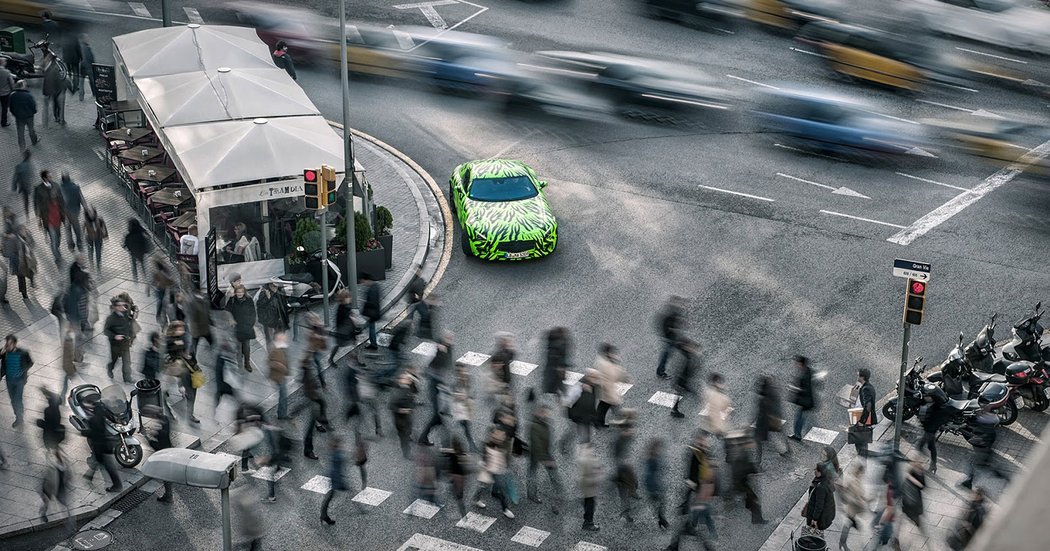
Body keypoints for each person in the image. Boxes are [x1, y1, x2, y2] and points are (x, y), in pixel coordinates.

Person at [418, 331, 453, 447]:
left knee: (438, 415)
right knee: (436, 415)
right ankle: (424, 438)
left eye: (451, 338)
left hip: (440, 381)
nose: (450, 340)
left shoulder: (449, 348)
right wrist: (438, 350)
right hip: (434, 382)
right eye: (448, 338)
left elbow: (448, 364)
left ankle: (429, 436)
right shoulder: (436, 349)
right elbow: (427, 365)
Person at [526, 404, 563, 513]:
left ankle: (532, 494)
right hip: (539, 454)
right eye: (545, 412)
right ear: (539, 412)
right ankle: (533, 495)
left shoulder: (544, 422)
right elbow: (537, 445)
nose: (547, 414)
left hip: (544, 452)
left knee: (533, 472)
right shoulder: (534, 426)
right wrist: (546, 459)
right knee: (536, 474)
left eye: (548, 412)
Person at [961, 407, 1005, 489]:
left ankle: (969, 482)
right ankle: (999, 475)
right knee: (982, 465)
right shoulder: (990, 424)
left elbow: (978, 437)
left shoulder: (986, 428)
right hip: (985, 449)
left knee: (977, 465)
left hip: (983, 450)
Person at [474, 428, 514, 518]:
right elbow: (483, 458)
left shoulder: (503, 445)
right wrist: (485, 466)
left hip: (498, 471)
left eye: (502, 435)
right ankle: (476, 498)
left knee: (502, 491)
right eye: (498, 434)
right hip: (488, 470)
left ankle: (505, 509)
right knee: (482, 486)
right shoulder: (486, 445)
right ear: (492, 435)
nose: (501, 437)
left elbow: (505, 457)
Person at [83, 402, 123, 492]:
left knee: (109, 467)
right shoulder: (101, 415)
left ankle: (117, 486)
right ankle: (89, 475)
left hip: (101, 446)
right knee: (99, 461)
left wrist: (84, 432)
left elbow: (94, 433)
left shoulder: (93, 420)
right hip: (105, 445)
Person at [167, 321, 200, 423]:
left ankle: (189, 409)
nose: (181, 331)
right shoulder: (170, 341)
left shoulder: (186, 338)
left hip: (191, 368)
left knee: (193, 391)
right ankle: (190, 415)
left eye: (182, 329)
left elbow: (192, 354)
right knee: (191, 394)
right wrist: (178, 346)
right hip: (182, 370)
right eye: (179, 329)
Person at [729, 436, 766, 524]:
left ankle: (755, 517)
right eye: (750, 442)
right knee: (755, 501)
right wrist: (755, 470)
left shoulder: (741, 452)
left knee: (752, 501)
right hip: (741, 483)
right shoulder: (741, 455)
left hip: (741, 483)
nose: (752, 444)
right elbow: (743, 469)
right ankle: (757, 520)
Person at [754, 375, 790, 466]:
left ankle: (758, 461)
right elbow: (777, 406)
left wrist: (753, 421)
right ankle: (788, 449)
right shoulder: (774, 392)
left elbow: (758, 411)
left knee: (758, 440)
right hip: (774, 418)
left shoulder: (764, 398)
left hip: (765, 421)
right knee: (780, 432)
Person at [560, 369, 598, 453]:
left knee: (585, 433)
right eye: (593, 377)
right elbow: (567, 401)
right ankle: (564, 444)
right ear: (588, 377)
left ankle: (585, 447)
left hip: (586, 416)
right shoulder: (578, 388)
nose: (595, 380)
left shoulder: (593, 386)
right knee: (574, 432)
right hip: (578, 417)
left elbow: (592, 401)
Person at [142, 405, 174, 502]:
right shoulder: (165, 419)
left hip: (163, 453)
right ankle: (168, 494)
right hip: (169, 449)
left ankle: (168, 496)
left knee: (165, 475)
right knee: (166, 473)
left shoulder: (158, 427)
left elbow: (156, 445)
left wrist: (146, 435)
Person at [34, 170, 65, 265]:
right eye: (50, 177)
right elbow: (36, 204)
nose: (52, 178)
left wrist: (64, 213)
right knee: (53, 239)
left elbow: (61, 199)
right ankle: (57, 257)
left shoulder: (56, 185)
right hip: (47, 217)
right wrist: (38, 218)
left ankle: (56, 248)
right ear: (45, 178)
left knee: (58, 237)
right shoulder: (38, 189)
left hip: (57, 215)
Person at [1, 334, 32, 427]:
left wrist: (23, 370)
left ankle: (19, 419)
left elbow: (30, 363)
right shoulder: (5, 352)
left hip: (19, 381)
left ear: (14, 344)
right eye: (7, 343)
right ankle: (19, 413)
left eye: (10, 343)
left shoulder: (22, 353)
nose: (8, 345)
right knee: (13, 400)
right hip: (9, 380)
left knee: (17, 400)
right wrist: (2, 352)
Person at [918, 388, 952, 473]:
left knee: (921, 446)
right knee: (930, 447)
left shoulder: (936, 408)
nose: (926, 397)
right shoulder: (926, 404)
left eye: (928, 396)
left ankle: (922, 463)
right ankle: (933, 465)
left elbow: (937, 420)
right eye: (925, 396)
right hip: (928, 430)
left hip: (930, 431)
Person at [594, 342, 627, 428]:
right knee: (614, 404)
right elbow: (615, 376)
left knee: (603, 406)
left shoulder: (601, 360)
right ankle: (622, 423)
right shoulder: (607, 366)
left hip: (603, 389)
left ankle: (598, 422)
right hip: (608, 390)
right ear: (607, 353)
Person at [226, 284, 257, 372]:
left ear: (244, 292)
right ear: (235, 292)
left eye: (241, 292)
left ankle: (247, 363)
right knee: (238, 347)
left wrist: (251, 323)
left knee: (246, 347)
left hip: (246, 327)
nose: (240, 294)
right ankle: (240, 365)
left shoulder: (249, 300)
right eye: (238, 292)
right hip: (237, 327)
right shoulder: (232, 300)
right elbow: (227, 311)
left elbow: (253, 313)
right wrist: (230, 319)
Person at [838, 462, 868, 550]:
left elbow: (859, 492)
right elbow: (846, 494)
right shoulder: (851, 480)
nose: (862, 474)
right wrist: (857, 501)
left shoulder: (858, 480)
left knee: (849, 523)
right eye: (861, 472)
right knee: (849, 523)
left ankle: (842, 542)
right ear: (858, 471)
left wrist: (863, 498)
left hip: (855, 508)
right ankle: (842, 543)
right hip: (851, 507)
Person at [655, 295, 686, 379]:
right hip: (670, 338)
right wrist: (670, 333)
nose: (680, 304)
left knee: (670, 354)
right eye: (678, 302)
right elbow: (665, 325)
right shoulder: (670, 312)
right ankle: (660, 372)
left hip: (673, 338)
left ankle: (684, 373)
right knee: (666, 355)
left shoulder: (675, 311)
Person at [450, 361, 478, 453]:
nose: (463, 372)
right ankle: (472, 446)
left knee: (465, 426)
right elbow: (453, 395)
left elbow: (472, 391)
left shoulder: (468, 378)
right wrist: (459, 396)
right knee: (466, 428)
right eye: (461, 371)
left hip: (467, 406)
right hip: (461, 407)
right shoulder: (455, 383)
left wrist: (468, 397)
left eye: (463, 370)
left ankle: (471, 445)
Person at [103, 299, 133, 382]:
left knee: (127, 361)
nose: (122, 307)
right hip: (115, 344)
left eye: (123, 305)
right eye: (119, 306)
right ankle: (110, 367)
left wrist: (130, 336)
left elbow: (128, 326)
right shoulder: (111, 318)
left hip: (125, 343)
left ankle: (127, 378)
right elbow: (106, 331)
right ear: (115, 307)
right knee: (114, 360)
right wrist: (115, 336)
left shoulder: (126, 314)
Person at [788, 355, 816, 441]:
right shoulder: (807, 371)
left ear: (801, 364)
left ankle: (797, 435)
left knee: (799, 419)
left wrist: (795, 388)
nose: (795, 364)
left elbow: (806, 390)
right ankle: (797, 435)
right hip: (806, 401)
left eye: (797, 363)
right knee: (799, 418)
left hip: (806, 402)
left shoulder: (805, 374)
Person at [644, 438, 670, 530]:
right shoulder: (652, 459)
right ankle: (662, 521)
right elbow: (650, 474)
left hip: (656, 483)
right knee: (661, 502)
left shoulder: (654, 456)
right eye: (659, 448)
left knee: (661, 503)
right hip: (654, 485)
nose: (661, 449)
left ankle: (661, 520)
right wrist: (655, 487)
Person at [671, 338, 700, 418]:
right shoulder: (684, 358)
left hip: (683, 379)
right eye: (691, 347)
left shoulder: (687, 355)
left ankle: (675, 409)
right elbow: (678, 370)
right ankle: (675, 409)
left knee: (682, 391)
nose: (693, 349)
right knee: (680, 393)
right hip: (680, 380)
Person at [390, 372, 416, 459]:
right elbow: (391, 406)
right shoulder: (397, 393)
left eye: (409, 378)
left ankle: (408, 436)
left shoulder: (407, 387)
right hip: (400, 420)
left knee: (409, 430)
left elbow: (413, 393)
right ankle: (406, 453)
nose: (409, 379)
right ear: (400, 381)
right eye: (406, 378)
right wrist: (402, 410)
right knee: (403, 437)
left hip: (407, 417)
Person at [804, 464, 836, 533]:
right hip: (826, 515)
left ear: (820, 472)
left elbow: (819, 505)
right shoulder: (824, 480)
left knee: (815, 534)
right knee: (817, 534)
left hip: (821, 517)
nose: (814, 471)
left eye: (816, 470)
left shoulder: (821, 487)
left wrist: (814, 519)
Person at [541, 326, 571, 400]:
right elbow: (563, 356)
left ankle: (549, 393)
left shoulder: (552, 342)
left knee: (551, 381)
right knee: (558, 382)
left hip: (551, 366)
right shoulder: (562, 343)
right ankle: (563, 395)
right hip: (556, 367)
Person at [255, 281, 289, 347]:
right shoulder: (264, 293)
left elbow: (283, 305)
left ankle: (277, 350)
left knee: (279, 336)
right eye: (273, 286)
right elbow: (259, 305)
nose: (275, 288)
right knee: (269, 339)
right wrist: (268, 298)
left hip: (278, 318)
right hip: (268, 319)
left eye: (276, 286)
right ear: (270, 285)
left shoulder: (280, 292)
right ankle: (271, 353)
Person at [328, 289, 358, 364]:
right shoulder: (341, 309)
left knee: (353, 344)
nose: (350, 298)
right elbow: (340, 321)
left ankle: (356, 360)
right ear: (343, 299)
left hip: (349, 330)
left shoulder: (347, 305)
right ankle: (331, 359)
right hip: (343, 331)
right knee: (339, 345)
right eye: (348, 297)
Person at [578, 442, 602, 531]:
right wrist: (596, 479)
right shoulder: (586, 461)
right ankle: (588, 523)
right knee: (590, 504)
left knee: (589, 503)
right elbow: (584, 477)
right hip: (589, 487)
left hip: (588, 488)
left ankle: (587, 520)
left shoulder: (585, 458)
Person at [700, 373, 731, 438]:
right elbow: (723, 407)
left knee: (704, 432)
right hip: (715, 423)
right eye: (720, 383)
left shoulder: (708, 391)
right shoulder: (719, 397)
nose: (723, 385)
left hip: (708, 420)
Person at [854, 368, 878, 456]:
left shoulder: (865, 389)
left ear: (862, 377)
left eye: (858, 375)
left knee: (860, 442)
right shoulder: (868, 386)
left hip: (864, 420)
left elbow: (868, 406)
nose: (857, 376)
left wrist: (861, 421)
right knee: (862, 441)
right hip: (865, 418)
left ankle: (862, 461)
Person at [9, 80, 39, 149]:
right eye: (25, 85)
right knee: (31, 129)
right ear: (23, 86)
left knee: (20, 133)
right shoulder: (28, 95)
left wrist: (15, 114)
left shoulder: (13, 95)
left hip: (19, 117)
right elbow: (33, 105)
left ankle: (22, 148)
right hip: (29, 116)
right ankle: (34, 141)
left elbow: (11, 107)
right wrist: (33, 112)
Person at [268, 331, 290, 420]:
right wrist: (281, 367)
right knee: (283, 396)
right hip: (278, 377)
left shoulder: (281, 348)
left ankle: (282, 413)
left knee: (283, 395)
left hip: (281, 376)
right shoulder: (274, 349)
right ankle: (282, 414)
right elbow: (270, 362)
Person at [60, 173, 84, 252]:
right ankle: (79, 244)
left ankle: (71, 246)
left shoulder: (60, 189)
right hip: (75, 212)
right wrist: (86, 208)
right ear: (69, 179)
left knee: (67, 229)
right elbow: (82, 199)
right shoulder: (76, 187)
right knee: (77, 228)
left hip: (65, 213)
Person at [41, 53, 66, 127]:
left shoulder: (46, 66)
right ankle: (59, 119)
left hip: (48, 90)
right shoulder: (54, 69)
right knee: (58, 106)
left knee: (50, 106)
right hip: (54, 90)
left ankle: (52, 119)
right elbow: (58, 81)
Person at [82, 205, 106, 271]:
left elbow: (104, 228)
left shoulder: (99, 219)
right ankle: (91, 266)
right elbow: (83, 232)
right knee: (90, 253)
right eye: (89, 212)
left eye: (92, 212)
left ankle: (98, 267)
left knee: (98, 253)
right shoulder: (86, 222)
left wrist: (105, 235)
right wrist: (83, 239)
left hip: (98, 238)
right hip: (89, 239)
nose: (91, 214)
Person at [361, 275, 381, 349]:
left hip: (372, 313)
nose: (363, 283)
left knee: (371, 328)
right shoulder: (376, 286)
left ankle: (373, 344)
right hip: (375, 312)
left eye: (363, 281)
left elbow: (372, 302)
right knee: (371, 328)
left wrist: (365, 302)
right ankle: (373, 342)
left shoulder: (372, 289)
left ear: (367, 280)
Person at [11, 150, 33, 218]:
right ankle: (28, 213)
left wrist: (14, 187)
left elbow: (15, 178)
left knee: (26, 200)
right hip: (28, 186)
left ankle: (27, 213)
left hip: (24, 186)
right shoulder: (30, 165)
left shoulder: (19, 166)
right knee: (28, 200)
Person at [76, 34, 94, 102]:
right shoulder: (85, 47)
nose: (88, 39)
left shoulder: (81, 46)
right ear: (84, 39)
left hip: (82, 66)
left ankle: (81, 96)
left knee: (81, 81)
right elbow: (87, 57)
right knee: (92, 80)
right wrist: (91, 66)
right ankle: (94, 94)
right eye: (87, 38)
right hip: (87, 66)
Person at [0, 58, 13, 127]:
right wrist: (12, 90)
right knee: (4, 108)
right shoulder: (6, 72)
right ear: (3, 63)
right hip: (5, 93)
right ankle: (3, 122)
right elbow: (11, 83)